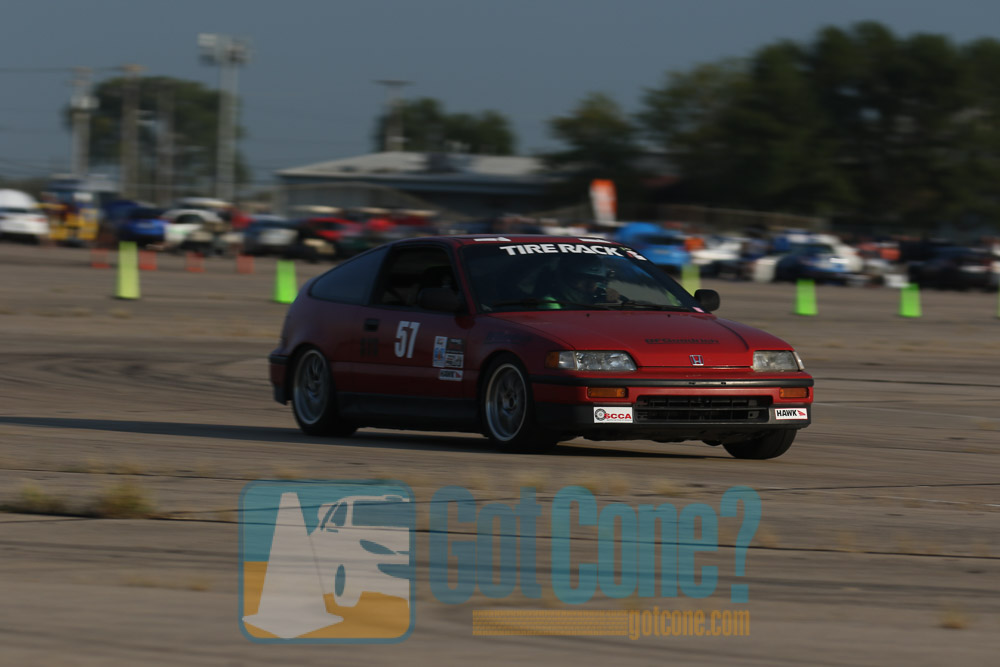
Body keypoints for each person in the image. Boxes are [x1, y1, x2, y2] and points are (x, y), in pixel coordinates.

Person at [539, 255, 619, 308]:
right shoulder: (550, 303)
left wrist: (611, 304)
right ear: (567, 278)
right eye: (583, 278)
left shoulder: (597, 298)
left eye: (596, 280)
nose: (591, 285)